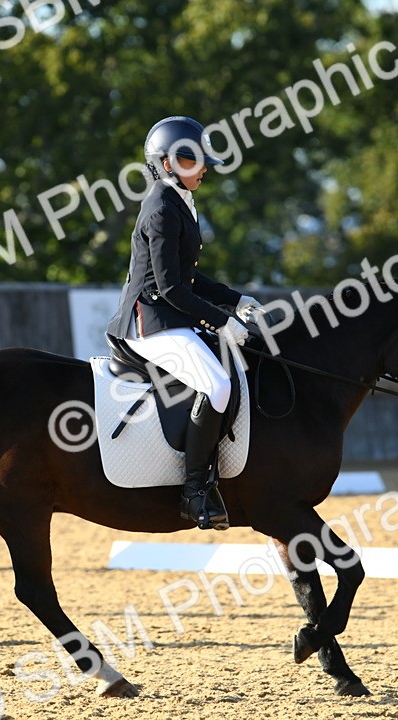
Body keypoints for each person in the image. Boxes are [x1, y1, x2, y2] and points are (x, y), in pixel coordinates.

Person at [106, 116, 263, 530]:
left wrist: (235, 299)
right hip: (149, 321)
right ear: (167, 163)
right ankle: (194, 491)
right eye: (196, 161)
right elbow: (173, 288)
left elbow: (189, 278)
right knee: (218, 385)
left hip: (170, 314)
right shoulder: (160, 208)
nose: (205, 168)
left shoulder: (179, 199)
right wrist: (221, 322)